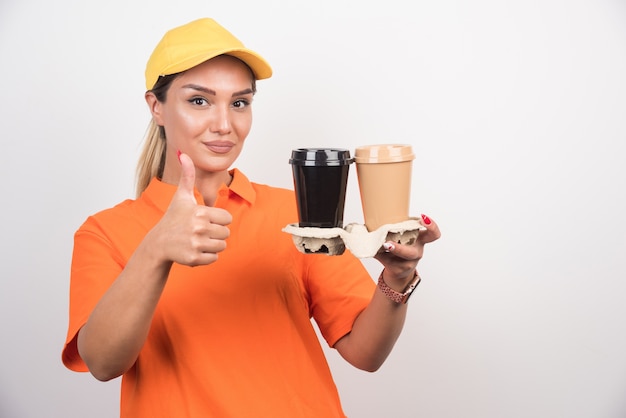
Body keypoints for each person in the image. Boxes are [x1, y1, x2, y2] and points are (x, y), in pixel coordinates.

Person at [62, 17, 441, 418]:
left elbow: (365, 352)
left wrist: (396, 280)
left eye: (239, 102)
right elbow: (103, 364)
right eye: (199, 100)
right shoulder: (104, 233)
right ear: (156, 106)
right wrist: (155, 250)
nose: (225, 124)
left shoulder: (294, 215)